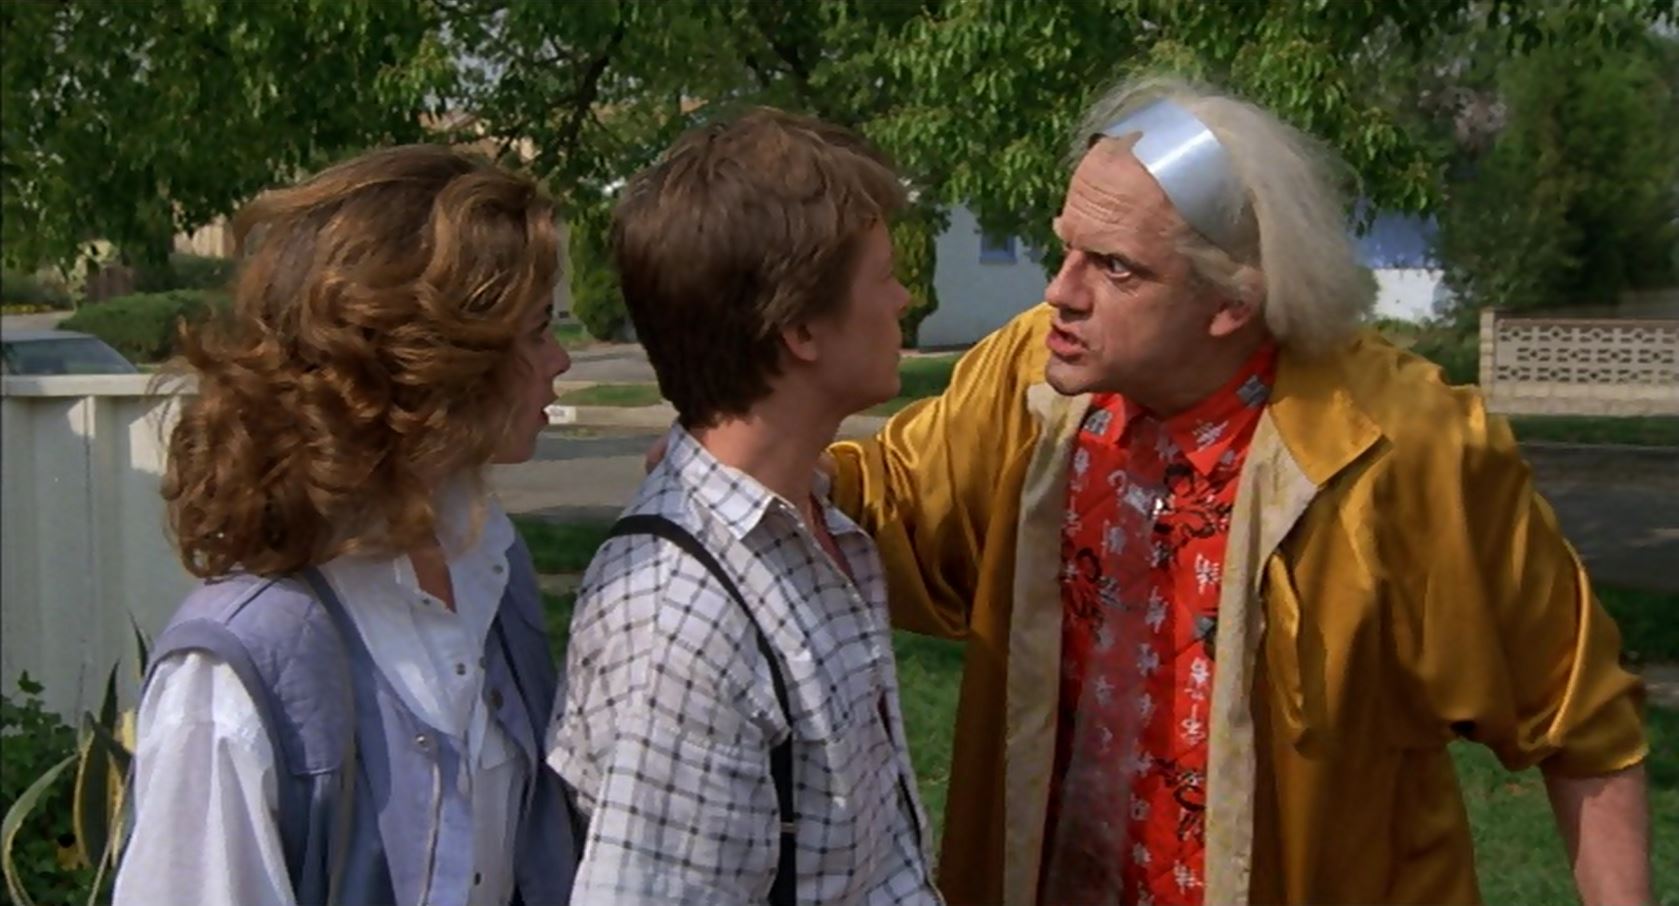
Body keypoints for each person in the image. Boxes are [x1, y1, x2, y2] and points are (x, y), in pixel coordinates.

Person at [827, 76, 1651, 904]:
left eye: (1114, 268)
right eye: (1064, 249)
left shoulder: (1401, 446)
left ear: (1229, 302)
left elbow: (1579, 723)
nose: (1059, 293)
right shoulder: (1032, 378)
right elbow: (888, 506)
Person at [114, 144, 578, 906]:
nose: (559, 360)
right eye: (536, 331)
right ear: (435, 358)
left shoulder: (491, 568)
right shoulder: (235, 673)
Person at [546, 108, 942, 905]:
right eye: (882, 275)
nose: (903, 298)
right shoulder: (681, 619)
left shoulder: (816, 531)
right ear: (800, 327)